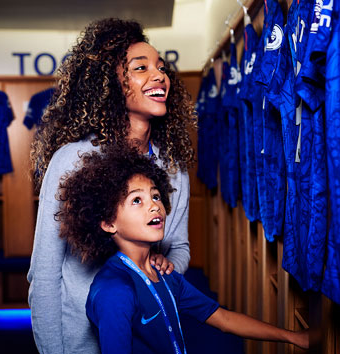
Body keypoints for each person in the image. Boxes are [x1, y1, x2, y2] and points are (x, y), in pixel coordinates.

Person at [27, 18, 196, 353]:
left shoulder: (173, 169)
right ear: (111, 83)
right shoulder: (71, 161)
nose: (159, 75)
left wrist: (170, 264)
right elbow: (44, 275)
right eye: (141, 67)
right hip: (80, 343)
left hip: (150, 340)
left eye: (161, 67)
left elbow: (179, 247)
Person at [56, 144, 309, 353]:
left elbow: (222, 318)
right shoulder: (115, 291)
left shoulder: (162, 273)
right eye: (137, 200)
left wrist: (293, 337)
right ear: (109, 223)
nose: (154, 206)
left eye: (155, 196)